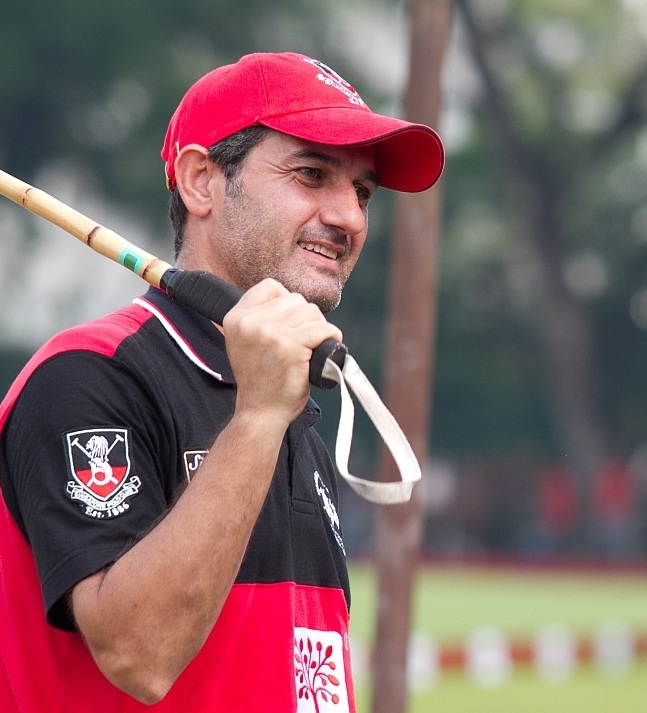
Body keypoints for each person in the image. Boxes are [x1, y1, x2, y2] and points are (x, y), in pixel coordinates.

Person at [0, 51, 444, 712]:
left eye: (362, 191)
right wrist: (257, 418)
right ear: (201, 181)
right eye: (311, 174)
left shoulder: (285, 407)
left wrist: (266, 409)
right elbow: (139, 653)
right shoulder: (89, 376)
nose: (349, 218)